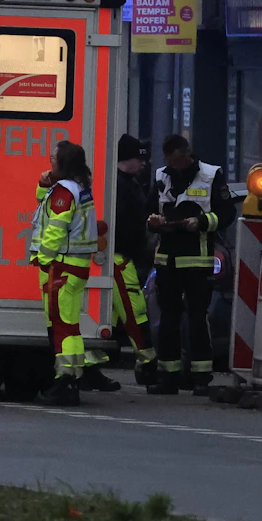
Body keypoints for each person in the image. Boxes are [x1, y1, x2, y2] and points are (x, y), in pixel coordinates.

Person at [148, 133, 234, 395]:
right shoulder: (161, 176)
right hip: (167, 260)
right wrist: (153, 221)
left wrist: (202, 222)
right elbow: (148, 209)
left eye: (176, 160)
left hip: (198, 260)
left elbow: (227, 213)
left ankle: (201, 377)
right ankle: (168, 377)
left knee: (197, 319)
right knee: (168, 320)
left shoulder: (210, 175)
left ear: (187, 154)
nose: (172, 165)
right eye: (169, 161)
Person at [32, 140, 99, 406]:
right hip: (75, 266)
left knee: (61, 326)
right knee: (69, 326)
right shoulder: (78, 187)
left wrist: (43, 258)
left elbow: (56, 227)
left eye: (53, 158)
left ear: (64, 163)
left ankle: (65, 381)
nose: (50, 161)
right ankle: (71, 378)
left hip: (60, 266)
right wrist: (43, 184)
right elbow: (44, 205)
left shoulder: (64, 191)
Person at [112, 134, 159, 384]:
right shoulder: (121, 186)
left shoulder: (127, 183)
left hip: (125, 256)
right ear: (125, 159)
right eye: (138, 159)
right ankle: (148, 361)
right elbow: (126, 225)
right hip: (121, 259)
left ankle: (90, 365)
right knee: (135, 312)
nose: (143, 163)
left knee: (112, 314)